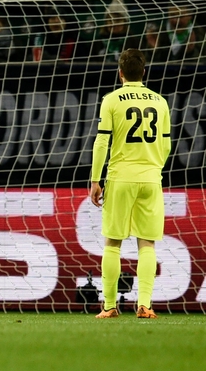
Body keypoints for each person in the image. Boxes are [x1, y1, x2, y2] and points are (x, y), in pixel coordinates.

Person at [89, 48, 171, 320]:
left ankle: (110, 306)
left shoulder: (112, 99)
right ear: (143, 72)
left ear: (120, 72)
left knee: (113, 243)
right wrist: (153, 168)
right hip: (150, 178)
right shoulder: (160, 101)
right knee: (146, 243)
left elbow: (102, 141)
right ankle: (144, 305)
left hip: (120, 177)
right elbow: (167, 144)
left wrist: (95, 180)